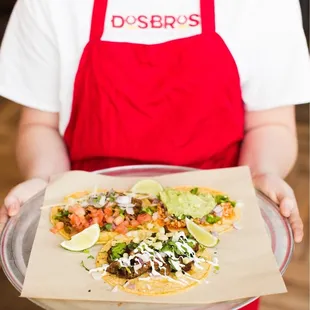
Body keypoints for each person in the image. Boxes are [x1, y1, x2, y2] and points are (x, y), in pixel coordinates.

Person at [0, 0, 310, 308]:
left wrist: (262, 173)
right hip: (88, 238)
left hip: (220, 236)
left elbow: (270, 124)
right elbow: (40, 125)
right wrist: (43, 181)